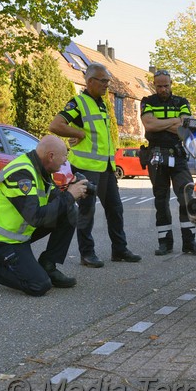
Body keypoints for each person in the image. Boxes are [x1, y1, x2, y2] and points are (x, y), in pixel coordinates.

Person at [0, 135, 90, 296]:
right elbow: (35, 217)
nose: (65, 161)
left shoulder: (42, 171)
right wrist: (69, 196)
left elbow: (56, 202)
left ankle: (48, 266)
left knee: (69, 211)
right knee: (39, 285)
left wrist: (72, 192)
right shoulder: (21, 174)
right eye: (64, 156)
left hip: (18, 234)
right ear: (51, 156)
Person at [49, 63, 141, 267]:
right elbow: (55, 125)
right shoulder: (78, 103)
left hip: (106, 167)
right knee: (86, 212)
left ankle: (119, 249)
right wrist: (78, 133)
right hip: (86, 168)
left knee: (115, 209)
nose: (107, 85)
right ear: (90, 81)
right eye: (104, 81)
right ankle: (87, 253)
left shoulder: (101, 103)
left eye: (108, 81)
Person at [140, 69, 196, 256]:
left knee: (187, 196)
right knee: (161, 201)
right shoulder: (147, 101)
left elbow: (185, 127)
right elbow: (149, 125)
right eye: (159, 86)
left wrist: (161, 123)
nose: (163, 89)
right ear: (154, 85)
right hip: (156, 156)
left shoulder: (182, 102)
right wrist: (175, 122)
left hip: (178, 156)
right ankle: (165, 243)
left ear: (171, 84)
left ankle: (189, 243)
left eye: (166, 85)